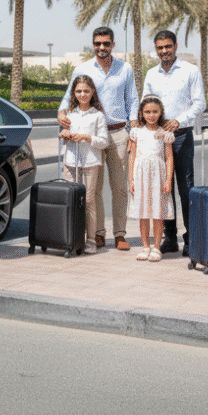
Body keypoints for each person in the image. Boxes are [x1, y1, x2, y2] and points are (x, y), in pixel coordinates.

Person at [58, 26, 138, 251]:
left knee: (119, 187)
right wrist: (61, 113)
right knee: (94, 189)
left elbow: (132, 100)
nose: (101, 47)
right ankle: (98, 233)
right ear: (93, 44)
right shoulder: (82, 68)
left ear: (113, 44)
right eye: (97, 43)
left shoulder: (125, 69)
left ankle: (120, 233)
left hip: (119, 133)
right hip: (92, 136)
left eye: (106, 43)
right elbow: (69, 96)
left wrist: (133, 132)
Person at [140, 30, 205, 255]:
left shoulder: (190, 71)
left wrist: (180, 120)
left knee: (186, 188)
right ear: (156, 49)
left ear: (175, 46)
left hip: (182, 135)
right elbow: (145, 102)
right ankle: (169, 238)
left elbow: (199, 103)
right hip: (158, 137)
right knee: (163, 189)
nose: (164, 51)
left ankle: (190, 239)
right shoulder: (151, 74)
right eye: (160, 47)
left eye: (168, 46)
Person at [58, 75, 109, 254]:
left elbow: (104, 142)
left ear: (92, 92)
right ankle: (69, 237)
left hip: (90, 163)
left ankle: (91, 240)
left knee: (88, 201)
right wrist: (65, 135)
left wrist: (87, 138)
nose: (82, 94)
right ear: (74, 93)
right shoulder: (69, 114)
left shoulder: (98, 116)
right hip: (70, 162)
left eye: (86, 91)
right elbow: (64, 136)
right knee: (69, 200)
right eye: (79, 91)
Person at [128, 95, 175, 262]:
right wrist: (131, 179)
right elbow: (132, 156)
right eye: (147, 112)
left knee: (157, 212)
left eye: (155, 111)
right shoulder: (136, 132)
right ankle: (145, 246)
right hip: (140, 176)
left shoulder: (165, 133)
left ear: (160, 112)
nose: (151, 115)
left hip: (158, 176)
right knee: (143, 212)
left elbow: (169, 157)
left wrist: (168, 180)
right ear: (141, 113)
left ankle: (156, 248)